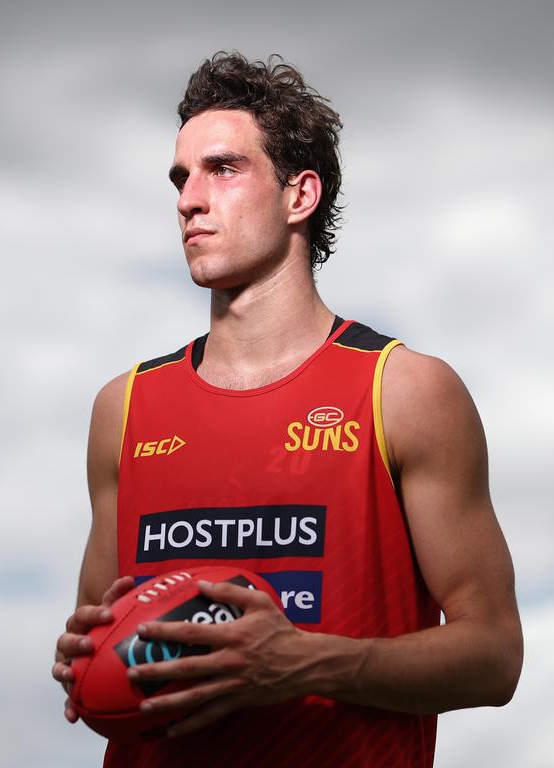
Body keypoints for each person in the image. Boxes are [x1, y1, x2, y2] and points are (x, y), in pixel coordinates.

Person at [52, 52, 523, 767]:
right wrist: (87, 664)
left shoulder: (403, 390)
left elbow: (494, 655)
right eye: (181, 178)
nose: (188, 199)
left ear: (300, 195)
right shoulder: (123, 408)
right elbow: (106, 643)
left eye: (223, 169)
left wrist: (303, 662)